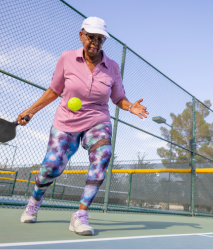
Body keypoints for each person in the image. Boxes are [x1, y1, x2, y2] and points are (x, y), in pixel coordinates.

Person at [18, 17, 149, 236]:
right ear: (81, 35)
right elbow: (54, 90)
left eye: (100, 39)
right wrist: (30, 111)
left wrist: (129, 107)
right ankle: (34, 201)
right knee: (51, 166)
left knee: (103, 155)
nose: (95, 43)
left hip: (98, 120)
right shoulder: (66, 58)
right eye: (91, 37)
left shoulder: (112, 67)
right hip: (66, 121)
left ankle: (80, 215)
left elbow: (118, 98)